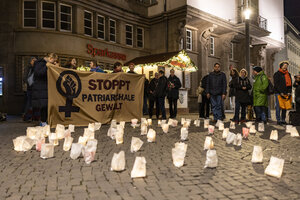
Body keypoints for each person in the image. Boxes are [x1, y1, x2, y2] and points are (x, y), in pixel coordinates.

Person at [32, 53, 58, 126]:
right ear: (50, 58)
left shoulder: (46, 64)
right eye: (53, 61)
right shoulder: (40, 63)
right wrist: (48, 66)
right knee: (44, 105)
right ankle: (43, 121)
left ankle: (44, 121)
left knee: (45, 105)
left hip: (45, 87)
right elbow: (39, 73)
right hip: (41, 87)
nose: (53, 62)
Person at [23, 57, 37, 121]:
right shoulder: (29, 68)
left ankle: (32, 117)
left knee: (33, 103)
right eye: (33, 60)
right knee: (29, 103)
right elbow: (25, 77)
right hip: (30, 88)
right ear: (31, 61)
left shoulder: (36, 68)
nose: (34, 62)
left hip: (35, 88)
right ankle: (28, 116)